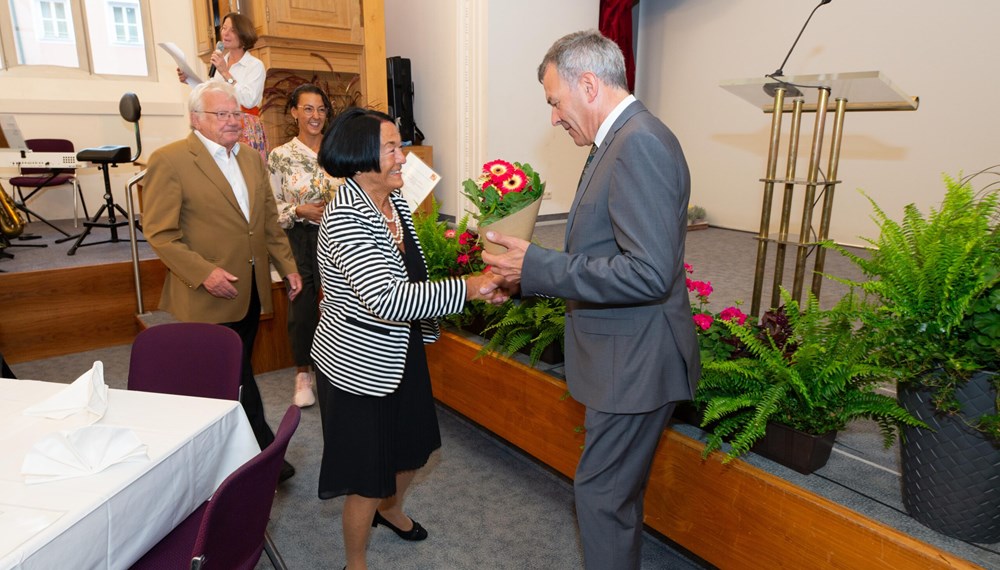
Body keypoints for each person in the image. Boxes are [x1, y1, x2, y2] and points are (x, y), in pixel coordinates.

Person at [482, 30, 701, 570]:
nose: (553, 117)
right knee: (611, 497)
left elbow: (648, 272)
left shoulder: (638, 142)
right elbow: (610, 249)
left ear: (587, 84)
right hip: (623, 355)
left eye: (555, 102)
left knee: (601, 500)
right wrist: (526, 276)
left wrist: (538, 264)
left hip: (635, 361)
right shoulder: (621, 138)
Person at [311, 107, 506, 570]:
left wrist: (477, 285)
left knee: (413, 450)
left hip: (402, 350)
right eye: (393, 148)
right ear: (361, 160)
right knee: (366, 476)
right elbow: (388, 299)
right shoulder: (345, 218)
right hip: (357, 366)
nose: (404, 157)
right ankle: (354, 562)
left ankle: (391, 510)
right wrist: (471, 288)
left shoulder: (392, 200)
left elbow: (413, 273)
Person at [143, 80, 303, 481]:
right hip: (205, 293)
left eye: (236, 114)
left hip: (248, 290)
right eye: (223, 114)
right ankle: (262, 452)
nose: (233, 121)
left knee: (234, 370)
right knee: (232, 373)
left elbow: (266, 220)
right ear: (196, 119)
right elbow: (160, 233)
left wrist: (288, 266)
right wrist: (204, 273)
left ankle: (238, 454)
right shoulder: (171, 160)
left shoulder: (250, 158)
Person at [268, 84, 342, 408]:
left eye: (321, 109)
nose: (315, 116)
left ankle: (340, 369)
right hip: (300, 236)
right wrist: (299, 210)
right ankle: (302, 372)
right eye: (308, 109)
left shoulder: (339, 152)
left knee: (341, 300)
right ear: (295, 112)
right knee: (302, 303)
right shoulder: (280, 156)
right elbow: (270, 207)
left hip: (340, 236)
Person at [177, 12, 268, 161]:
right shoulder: (221, 62)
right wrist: (189, 80)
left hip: (244, 126)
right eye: (224, 28)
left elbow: (250, 99)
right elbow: (212, 95)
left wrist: (225, 72)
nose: (225, 33)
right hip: (220, 124)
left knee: (246, 174)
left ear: (243, 34)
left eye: (232, 30)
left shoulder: (254, 65)